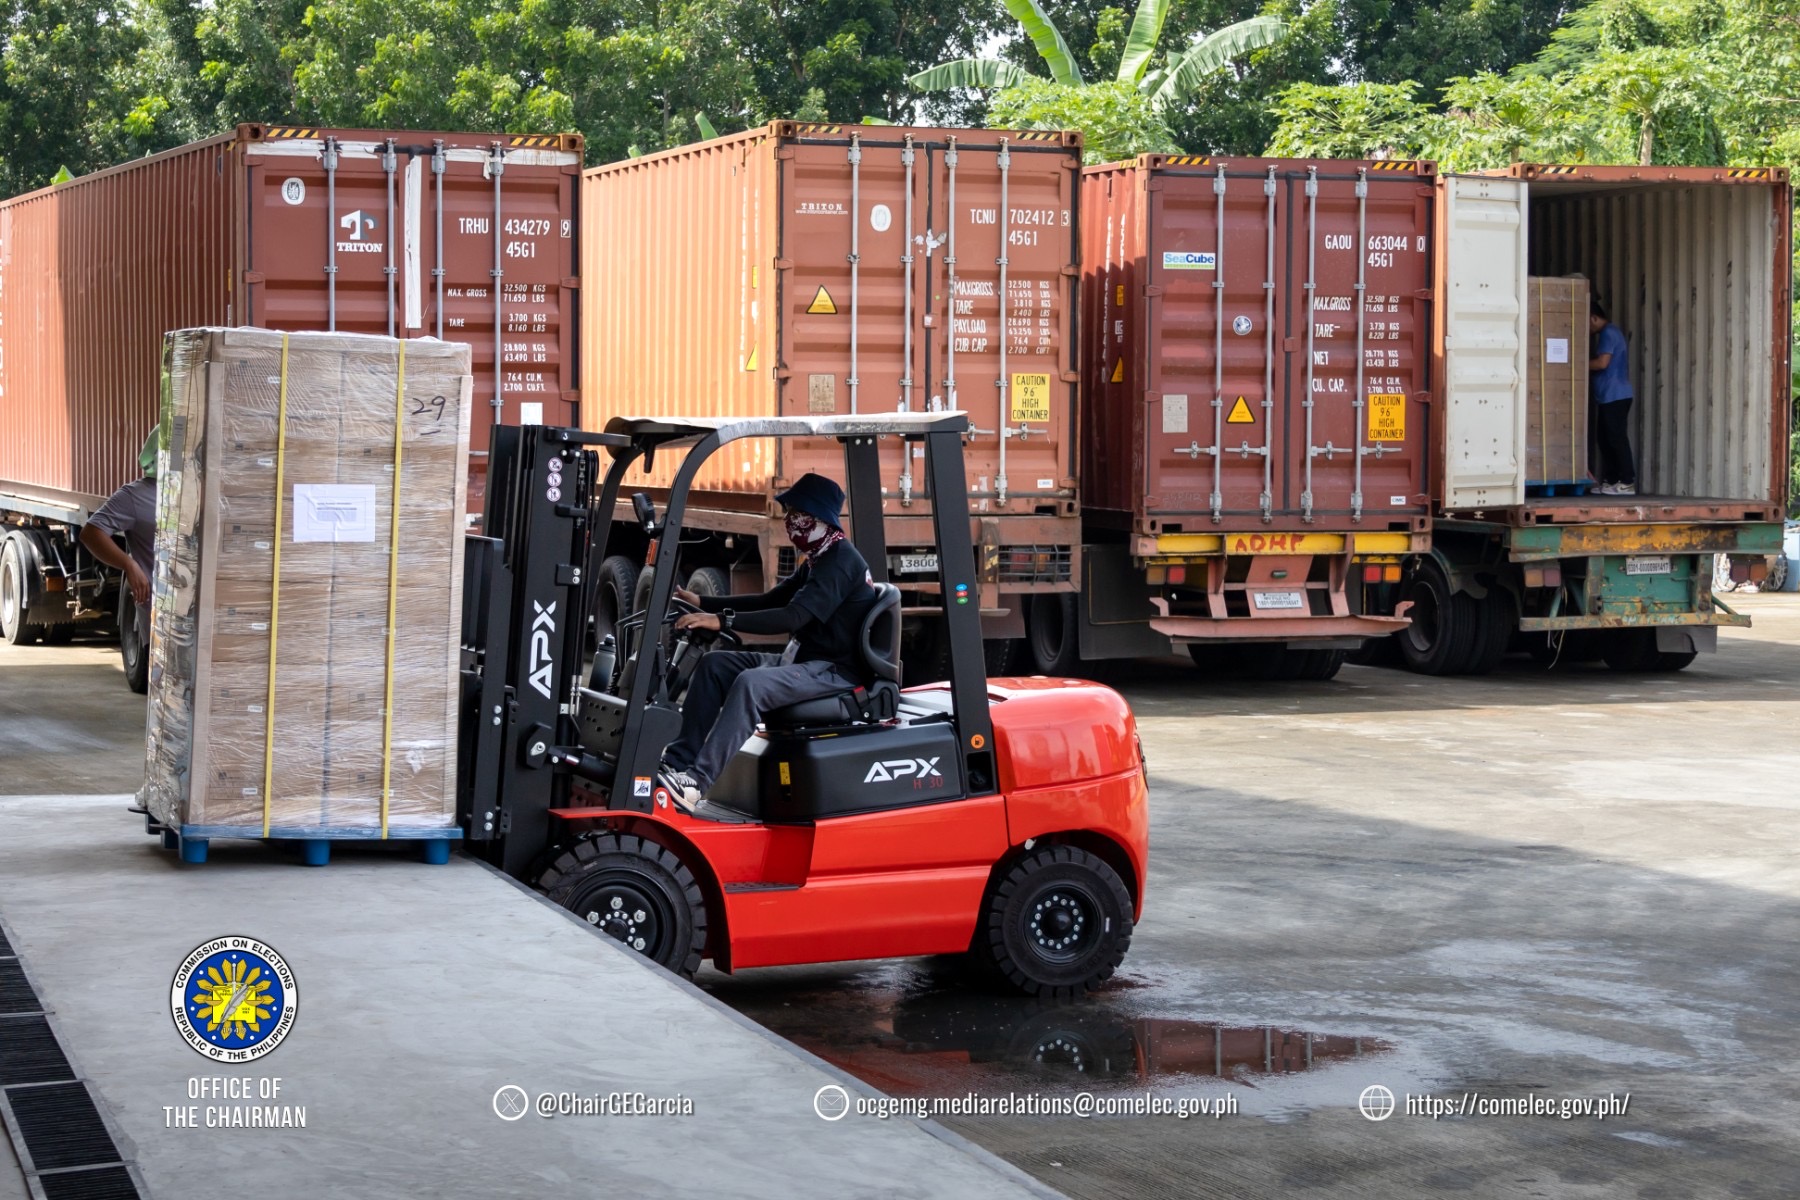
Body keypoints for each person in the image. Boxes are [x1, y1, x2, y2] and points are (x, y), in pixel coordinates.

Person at [656, 473, 879, 811]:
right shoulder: (819, 559)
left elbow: (792, 617)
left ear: (818, 517)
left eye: (797, 513)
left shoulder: (841, 563)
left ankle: (697, 783)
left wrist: (723, 621)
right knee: (716, 665)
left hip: (832, 671)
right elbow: (771, 600)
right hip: (803, 661)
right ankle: (677, 763)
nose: (790, 520)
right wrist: (706, 604)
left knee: (751, 684)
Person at [80, 426, 160, 647]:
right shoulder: (135, 495)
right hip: (159, 614)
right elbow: (91, 533)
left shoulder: (202, 491)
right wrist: (129, 564)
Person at [1588, 299, 1637, 496]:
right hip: (1608, 396)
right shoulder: (1609, 333)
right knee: (1604, 438)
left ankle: (1627, 481)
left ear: (1594, 318)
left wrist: (1575, 362)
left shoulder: (1609, 333)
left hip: (1616, 396)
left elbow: (1602, 363)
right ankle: (1611, 480)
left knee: (1616, 439)